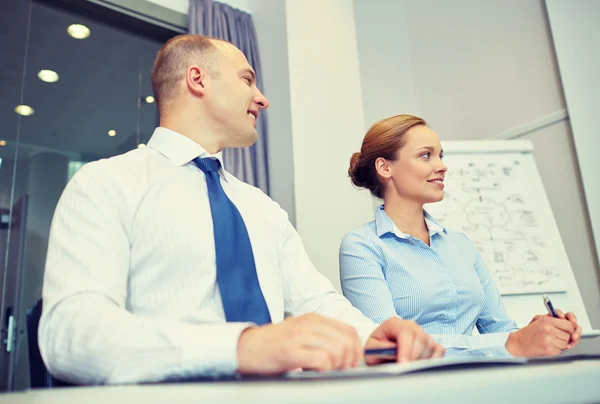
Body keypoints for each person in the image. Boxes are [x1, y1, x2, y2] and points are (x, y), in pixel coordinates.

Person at [39, 36, 444, 385]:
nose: (262, 98)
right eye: (247, 80)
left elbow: (316, 301)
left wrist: (372, 337)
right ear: (197, 79)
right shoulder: (106, 184)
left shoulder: (262, 208)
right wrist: (240, 346)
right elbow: (70, 334)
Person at [339, 114, 582, 359]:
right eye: (426, 155)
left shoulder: (460, 245)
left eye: (440, 155)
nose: (442, 166)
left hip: (486, 384)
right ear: (385, 167)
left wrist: (539, 332)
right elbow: (390, 346)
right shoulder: (362, 247)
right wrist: (511, 343)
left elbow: (501, 330)